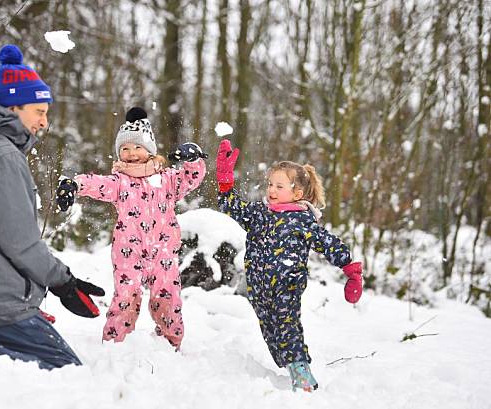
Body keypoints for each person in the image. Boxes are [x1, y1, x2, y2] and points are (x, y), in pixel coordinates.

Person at [0, 44, 105, 370]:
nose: (44, 122)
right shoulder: (2, 157)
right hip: (0, 307)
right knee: (67, 374)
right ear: (13, 109)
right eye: (39, 112)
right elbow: (20, 242)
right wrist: (62, 282)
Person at [216, 139, 363, 392]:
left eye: (279, 186)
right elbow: (231, 207)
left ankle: (301, 369)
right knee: (271, 333)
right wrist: (225, 181)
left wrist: (350, 268)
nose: (271, 190)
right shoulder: (259, 213)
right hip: (258, 287)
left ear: (297, 193)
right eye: (270, 184)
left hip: (287, 285)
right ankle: (289, 363)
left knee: (287, 325)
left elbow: (328, 243)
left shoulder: (302, 220)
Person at [55, 107, 207, 349]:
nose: (131, 153)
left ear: (149, 150)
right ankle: (116, 345)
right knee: (126, 296)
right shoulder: (119, 181)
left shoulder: (167, 179)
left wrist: (194, 160)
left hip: (163, 252)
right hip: (129, 250)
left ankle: (171, 343)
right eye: (125, 148)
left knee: (167, 298)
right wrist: (75, 185)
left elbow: (190, 179)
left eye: (137, 147)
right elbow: (97, 183)